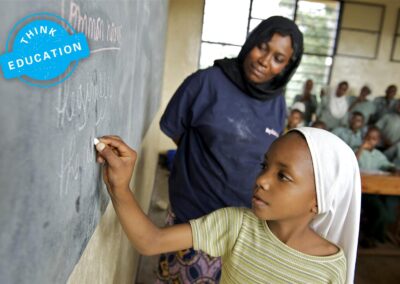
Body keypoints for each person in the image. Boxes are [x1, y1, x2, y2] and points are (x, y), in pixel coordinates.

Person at [94, 127, 361, 284]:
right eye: (264, 166)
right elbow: (150, 241)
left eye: (283, 176)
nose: (262, 180)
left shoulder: (329, 266)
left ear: (318, 201)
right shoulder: (238, 225)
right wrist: (119, 187)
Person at [158, 16, 303, 281]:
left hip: (243, 225)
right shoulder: (206, 82)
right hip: (194, 217)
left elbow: (268, 158)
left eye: (278, 59)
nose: (264, 60)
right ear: (251, 42)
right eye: (262, 47)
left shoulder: (276, 103)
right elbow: (176, 132)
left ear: (286, 68)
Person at [355, 126, 397, 247]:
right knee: (378, 212)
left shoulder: (378, 155)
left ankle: (372, 236)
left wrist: (393, 169)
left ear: (378, 141)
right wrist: (361, 148)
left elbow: (387, 165)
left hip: (374, 191)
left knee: (385, 213)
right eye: (368, 138)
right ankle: (369, 237)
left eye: (373, 139)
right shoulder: (356, 151)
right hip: (359, 192)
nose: (370, 141)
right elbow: (352, 163)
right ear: (363, 138)